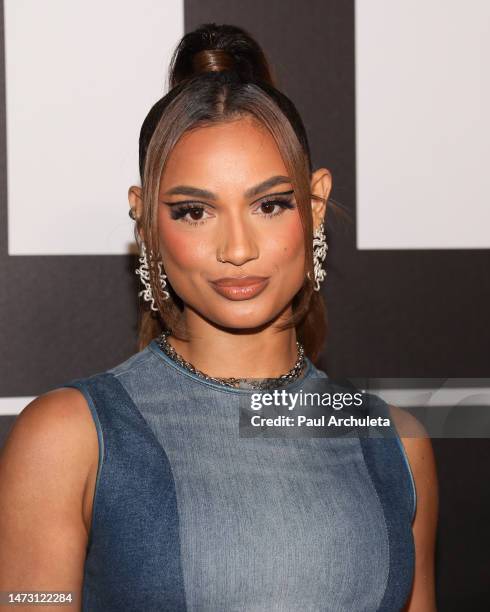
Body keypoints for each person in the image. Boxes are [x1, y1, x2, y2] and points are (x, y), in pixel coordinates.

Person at [0, 23, 438, 612]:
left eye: (269, 204)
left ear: (313, 206)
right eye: (194, 211)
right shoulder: (68, 439)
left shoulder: (394, 447)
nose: (237, 247)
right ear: (146, 222)